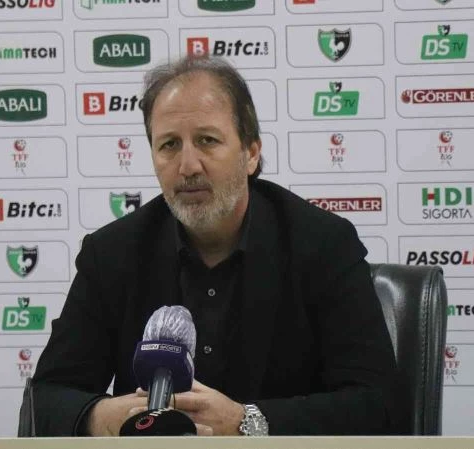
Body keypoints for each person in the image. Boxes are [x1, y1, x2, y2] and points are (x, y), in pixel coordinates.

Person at [29, 55, 398, 436]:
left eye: (207, 140)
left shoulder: (323, 245)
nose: (188, 166)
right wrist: (100, 417)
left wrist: (247, 422)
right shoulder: (111, 254)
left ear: (250, 153)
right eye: (169, 145)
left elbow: (378, 404)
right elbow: (45, 398)